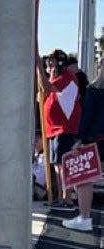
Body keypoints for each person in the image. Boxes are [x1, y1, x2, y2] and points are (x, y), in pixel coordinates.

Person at [63, 55, 104, 231]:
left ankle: (85, 218)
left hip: (96, 139)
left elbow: (86, 119)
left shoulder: (94, 89)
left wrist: (79, 140)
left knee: (85, 178)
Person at [37, 49, 82, 207]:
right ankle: (61, 197)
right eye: (48, 60)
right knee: (57, 165)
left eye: (52, 60)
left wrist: (39, 68)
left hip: (63, 129)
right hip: (54, 129)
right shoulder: (56, 77)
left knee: (63, 165)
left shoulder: (67, 77)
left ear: (60, 62)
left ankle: (67, 198)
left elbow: (45, 88)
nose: (49, 63)